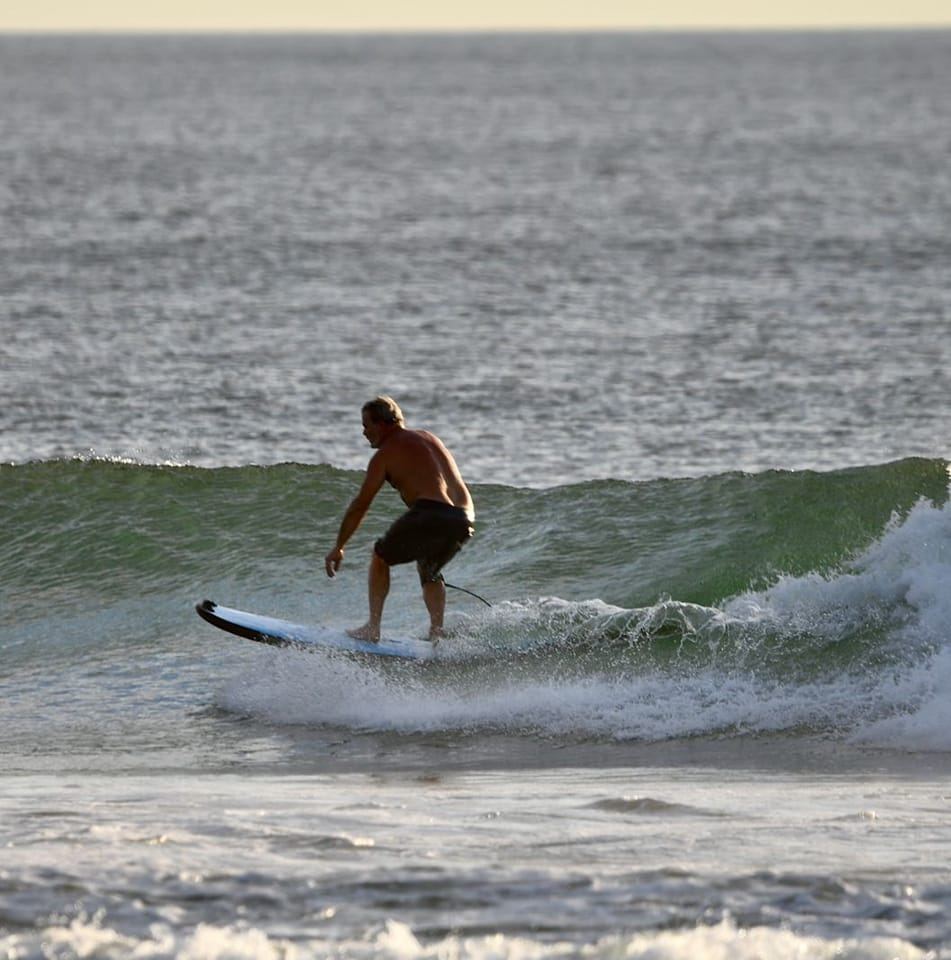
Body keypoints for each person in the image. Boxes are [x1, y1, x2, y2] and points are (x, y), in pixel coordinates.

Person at [324, 396, 474, 642]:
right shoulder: (429, 438)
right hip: (463, 517)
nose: (364, 433)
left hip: (430, 511)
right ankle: (437, 633)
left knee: (380, 556)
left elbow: (361, 505)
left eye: (366, 426)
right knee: (430, 570)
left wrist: (339, 546)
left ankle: (372, 628)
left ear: (383, 424)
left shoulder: (386, 454)